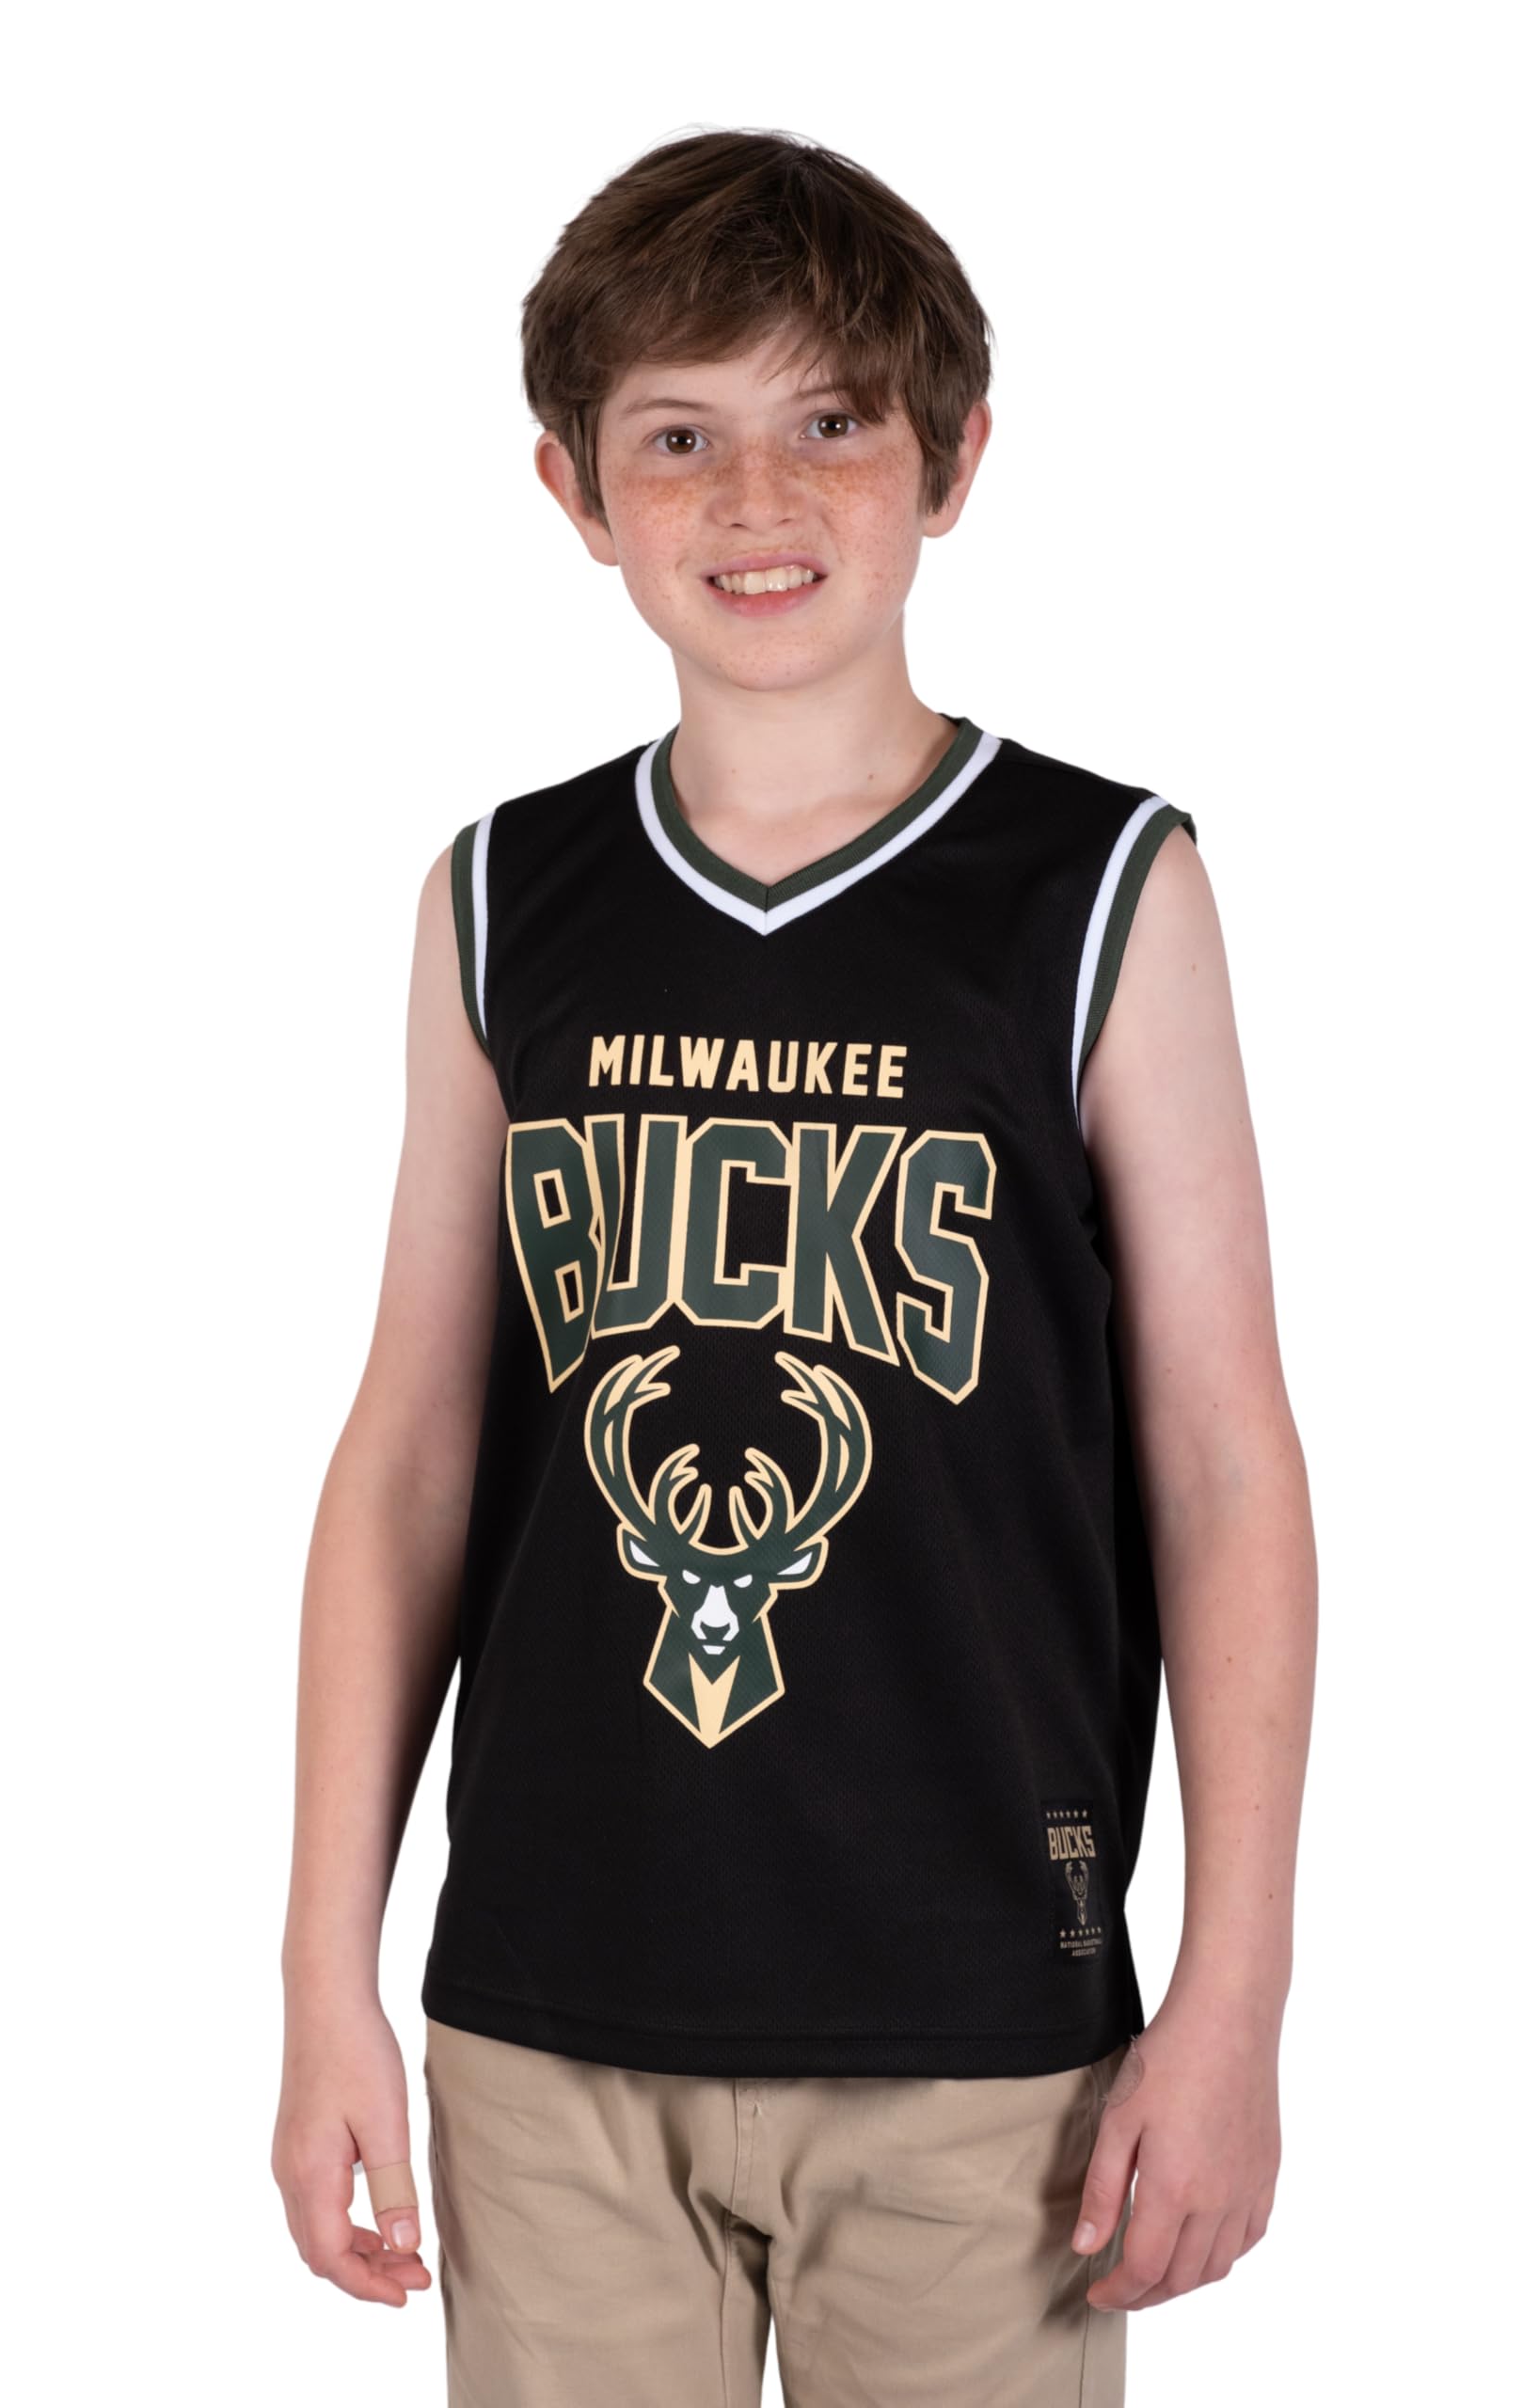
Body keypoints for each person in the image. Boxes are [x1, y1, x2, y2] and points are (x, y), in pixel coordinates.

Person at [273, 126, 1317, 2407]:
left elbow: (1225, 1461)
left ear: (952, 457)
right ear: (574, 490)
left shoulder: (1099, 888)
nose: (757, 498)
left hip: (977, 2023)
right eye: (680, 438)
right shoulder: (501, 896)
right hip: (549, 2005)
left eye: (829, 419)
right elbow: (413, 1453)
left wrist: (1229, 1995)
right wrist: (319, 1973)